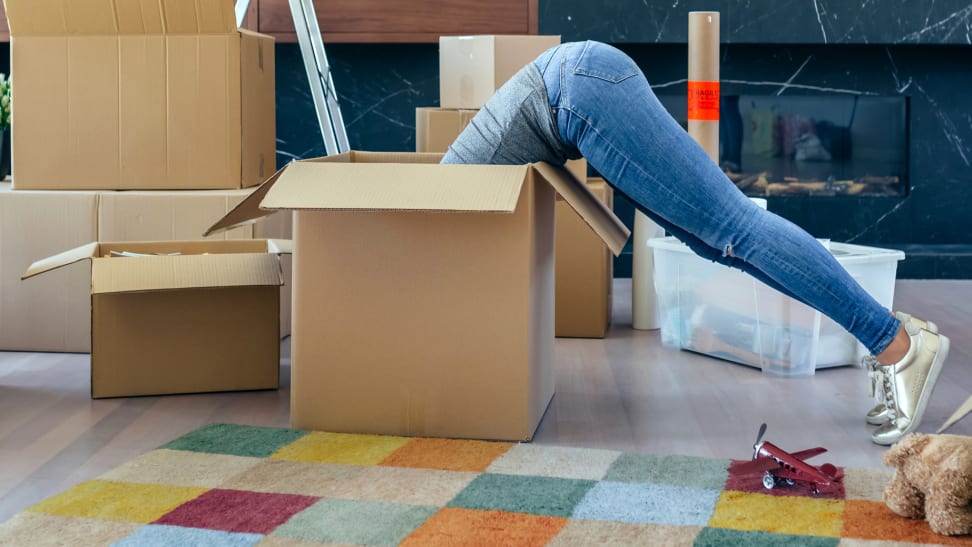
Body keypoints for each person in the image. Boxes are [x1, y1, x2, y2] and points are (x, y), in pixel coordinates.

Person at [441, 40, 949, 446]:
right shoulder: (432, 215)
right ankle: (895, 338)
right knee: (719, 242)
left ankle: (897, 344)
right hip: (578, 89)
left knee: (736, 227)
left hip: (580, 90)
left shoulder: (431, 221)